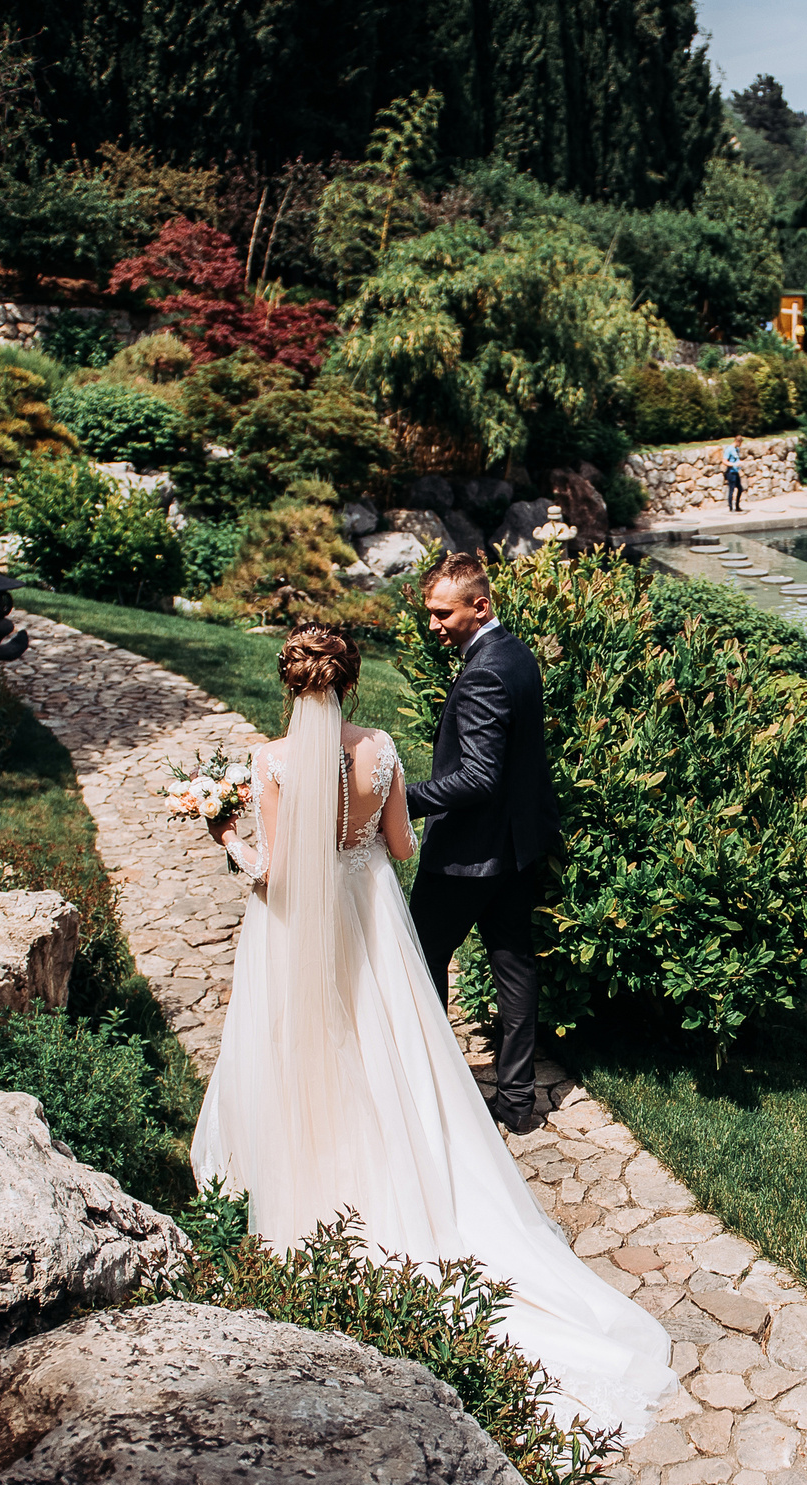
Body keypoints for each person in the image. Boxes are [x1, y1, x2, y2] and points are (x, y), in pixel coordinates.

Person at [191, 617, 672, 1433]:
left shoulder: (269, 762)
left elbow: (272, 874)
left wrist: (225, 836)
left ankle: (301, 1176)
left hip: (295, 930)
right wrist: (362, 844)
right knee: (387, 1048)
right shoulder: (380, 752)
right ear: (349, 680)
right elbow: (403, 848)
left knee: (301, 1046)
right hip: (369, 913)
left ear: (290, 684)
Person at [403, 554, 563, 1137]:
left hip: (468, 857)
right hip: (518, 848)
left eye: (443, 613)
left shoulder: (483, 672)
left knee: (420, 963)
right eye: (430, 614)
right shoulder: (516, 654)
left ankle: (432, 1091)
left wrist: (396, 802)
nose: (433, 625)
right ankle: (518, 1103)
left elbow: (477, 777)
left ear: (481, 606)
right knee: (514, 966)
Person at [724, 435, 745, 511]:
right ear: (737, 441)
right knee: (731, 490)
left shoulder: (737, 449)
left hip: (736, 472)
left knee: (740, 488)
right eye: (740, 443)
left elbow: (736, 459)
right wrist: (734, 464)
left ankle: (737, 506)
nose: (740, 445)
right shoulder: (729, 449)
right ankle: (730, 507)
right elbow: (724, 461)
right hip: (731, 472)